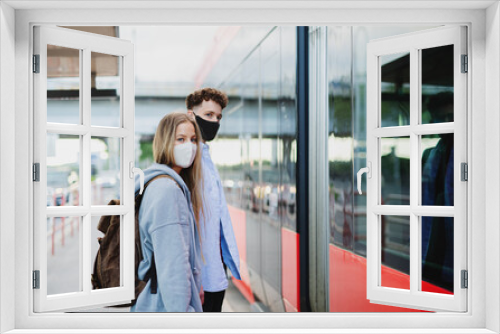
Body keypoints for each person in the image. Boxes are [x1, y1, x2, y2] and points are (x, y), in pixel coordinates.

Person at [131, 112, 204, 312]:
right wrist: (183, 316)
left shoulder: (157, 183)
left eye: (193, 139)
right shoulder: (168, 190)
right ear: (165, 142)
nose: (189, 146)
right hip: (165, 309)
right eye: (180, 139)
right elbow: (174, 268)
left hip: (153, 304)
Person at [186, 88, 241, 312]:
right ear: (191, 115)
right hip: (201, 275)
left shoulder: (206, 157)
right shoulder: (188, 160)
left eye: (218, 117)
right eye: (208, 115)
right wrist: (193, 279)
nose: (215, 121)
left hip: (214, 269)